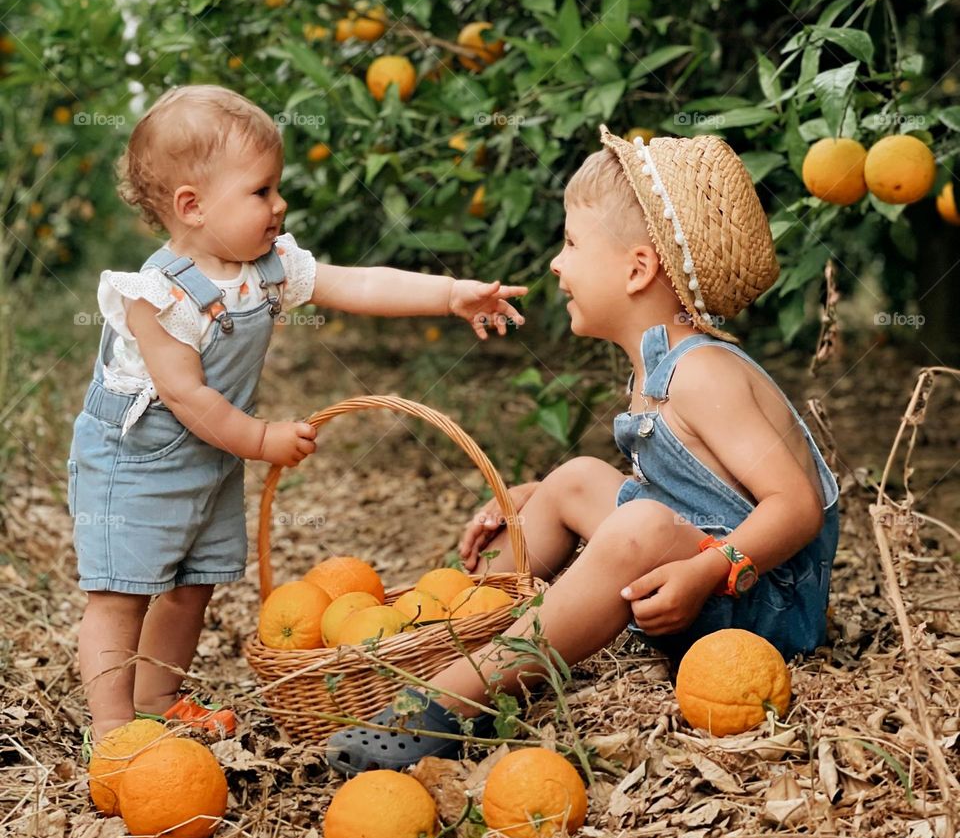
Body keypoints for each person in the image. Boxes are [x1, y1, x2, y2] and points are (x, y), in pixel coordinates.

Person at [325, 124, 840, 775]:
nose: (555, 264)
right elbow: (687, 493)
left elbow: (795, 509)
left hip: (758, 605)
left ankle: (450, 698)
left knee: (641, 525)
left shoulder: (704, 374)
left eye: (570, 243)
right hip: (697, 572)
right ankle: (463, 623)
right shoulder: (655, 373)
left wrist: (706, 572)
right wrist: (533, 500)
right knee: (570, 480)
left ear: (637, 269)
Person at [67, 84, 526, 750]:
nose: (279, 204)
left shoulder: (268, 266)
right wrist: (260, 438)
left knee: (193, 585)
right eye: (261, 191)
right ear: (191, 207)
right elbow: (188, 396)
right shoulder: (158, 297)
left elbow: (357, 283)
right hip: (138, 464)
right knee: (121, 593)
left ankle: (159, 698)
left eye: (276, 186)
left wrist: (450, 294)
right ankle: (112, 730)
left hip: (208, 457)